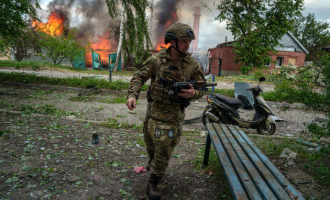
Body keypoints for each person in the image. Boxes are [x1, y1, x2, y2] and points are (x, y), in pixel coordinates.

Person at [126, 23, 205, 200]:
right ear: (172, 41)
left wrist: (194, 93)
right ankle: (151, 161)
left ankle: (153, 183)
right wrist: (133, 95)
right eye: (184, 41)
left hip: (173, 117)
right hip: (153, 112)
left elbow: (203, 88)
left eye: (189, 41)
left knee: (164, 149)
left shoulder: (192, 65)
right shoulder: (157, 60)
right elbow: (139, 76)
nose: (187, 45)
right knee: (150, 142)